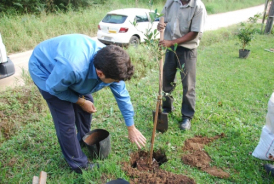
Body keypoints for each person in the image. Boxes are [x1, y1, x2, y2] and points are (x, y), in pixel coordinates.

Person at [28, 34, 146, 174]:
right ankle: (78, 164)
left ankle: (82, 140)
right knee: (66, 118)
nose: (117, 84)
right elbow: (54, 89)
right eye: (115, 81)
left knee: (86, 108)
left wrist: (131, 127)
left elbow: (122, 96)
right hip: (46, 72)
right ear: (100, 74)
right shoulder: (73, 68)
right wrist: (81, 101)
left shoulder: (112, 62)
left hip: (69, 72)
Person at [157, 0, 207, 130]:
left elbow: (195, 32)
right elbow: (164, 19)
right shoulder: (171, 2)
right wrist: (161, 26)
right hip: (170, 48)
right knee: (167, 80)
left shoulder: (198, 7)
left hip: (187, 50)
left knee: (188, 84)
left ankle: (187, 116)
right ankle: (167, 108)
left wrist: (172, 42)